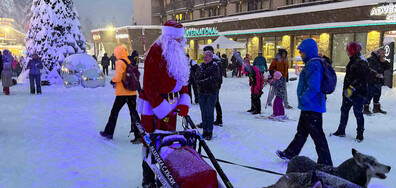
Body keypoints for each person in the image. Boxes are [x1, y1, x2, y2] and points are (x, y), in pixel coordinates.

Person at [137, 20, 191, 187]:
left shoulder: (178, 52)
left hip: (172, 105)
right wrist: (162, 108)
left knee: (169, 142)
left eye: (181, 39)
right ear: (169, 38)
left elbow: (183, 79)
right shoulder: (156, 51)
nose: (181, 42)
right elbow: (149, 85)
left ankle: (165, 176)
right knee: (151, 143)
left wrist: (184, 100)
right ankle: (148, 179)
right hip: (154, 107)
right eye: (178, 39)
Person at [276, 39, 333, 166]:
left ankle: (326, 162)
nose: (300, 55)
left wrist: (303, 98)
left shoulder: (314, 64)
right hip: (309, 106)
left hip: (312, 106)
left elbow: (313, 86)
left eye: (302, 52)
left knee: (317, 135)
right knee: (302, 131)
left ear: (308, 51)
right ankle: (290, 153)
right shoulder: (312, 63)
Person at [99, 46, 141, 144]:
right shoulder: (129, 61)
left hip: (122, 93)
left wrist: (112, 81)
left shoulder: (120, 62)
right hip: (132, 92)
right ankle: (139, 135)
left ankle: (108, 132)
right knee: (133, 114)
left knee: (114, 112)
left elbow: (118, 77)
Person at [331, 41, 369, 142]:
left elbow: (361, 78)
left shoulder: (361, 61)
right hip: (348, 93)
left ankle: (360, 134)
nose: (347, 52)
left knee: (358, 113)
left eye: (348, 49)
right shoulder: (353, 60)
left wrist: (352, 88)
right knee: (344, 111)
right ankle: (341, 130)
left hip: (357, 93)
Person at [195, 50, 221, 139]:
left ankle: (209, 131)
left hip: (211, 92)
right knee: (203, 112)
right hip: (201, 92)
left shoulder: (214, 66)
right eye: (204, 57)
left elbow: (213, 79)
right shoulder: (201, 66)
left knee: (209, 112)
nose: (204, 59)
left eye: (206, 57)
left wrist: (202, 82)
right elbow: (196, 77)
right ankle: (204, 130)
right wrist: (201, 82)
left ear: (211, 57)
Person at [363, 48, 390, 115]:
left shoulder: (381, 60)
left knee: (377, 94)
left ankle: (376, 107)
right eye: (382, 53)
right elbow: (368, 69)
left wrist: (384, 62)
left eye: (384, 53)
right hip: (371, 80)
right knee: (369, 94)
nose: (384, 55)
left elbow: (388, 67)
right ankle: (365, 108)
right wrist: (375, 74)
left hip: (378, 81)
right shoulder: (371, 60)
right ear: (378, 53)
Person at [203, 45, 223, 127]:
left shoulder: (213, 62)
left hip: (212, 85)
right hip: (215, 85)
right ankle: (219, 119)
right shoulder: (218, 61)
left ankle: (209, 121)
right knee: (215, 102)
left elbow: (212, 75)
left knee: (210, 103)